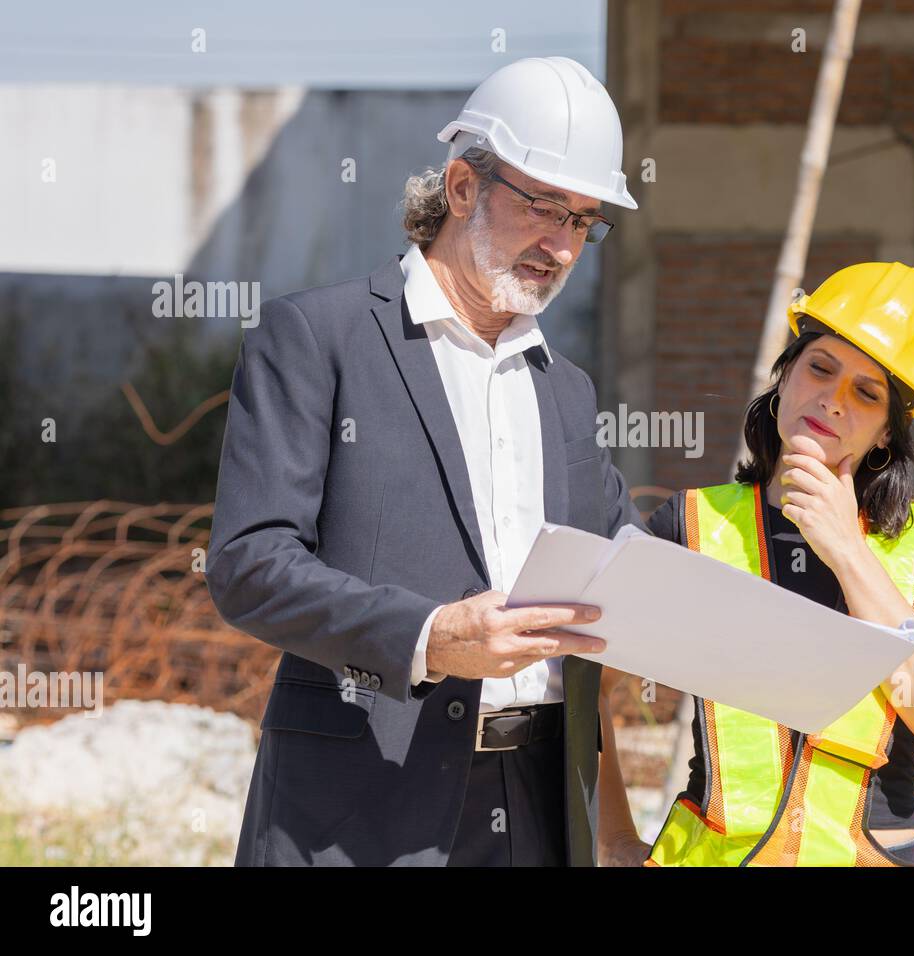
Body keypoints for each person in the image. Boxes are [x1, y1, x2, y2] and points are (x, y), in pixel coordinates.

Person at [206, 56, 645, 867]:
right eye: (544, 206)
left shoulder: (569, 394)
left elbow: (631, 565)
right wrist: (431, 636)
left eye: (583, 221)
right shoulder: (318, 339)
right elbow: (248, 565)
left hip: (541, 809)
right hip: (359, 811)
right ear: (462, 187)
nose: (560, 243)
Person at [596, 262, 914, 867]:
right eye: (820, 368)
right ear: (785, 377)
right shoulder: (695, 524)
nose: (832, 401)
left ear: (887, 432)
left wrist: (848, 551)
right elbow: (581, 683)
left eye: (867, 392)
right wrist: (614, 839)